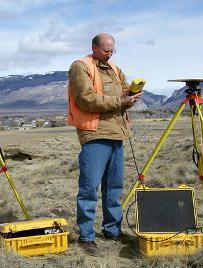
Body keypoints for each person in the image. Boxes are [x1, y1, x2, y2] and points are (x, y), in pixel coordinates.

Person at [67, 33, 141, 256]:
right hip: (95, 135)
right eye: (106, 50)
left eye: (112, 50)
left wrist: (131, 97)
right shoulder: (80, 66)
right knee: (89, 189)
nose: (110, 54)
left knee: (114, 188)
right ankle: (87, 237)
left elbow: (123, 95)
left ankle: (112, 231)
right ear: (94, 48)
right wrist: (119, 101)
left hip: (117, 134)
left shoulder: (115, 69)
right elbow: (85, 99)